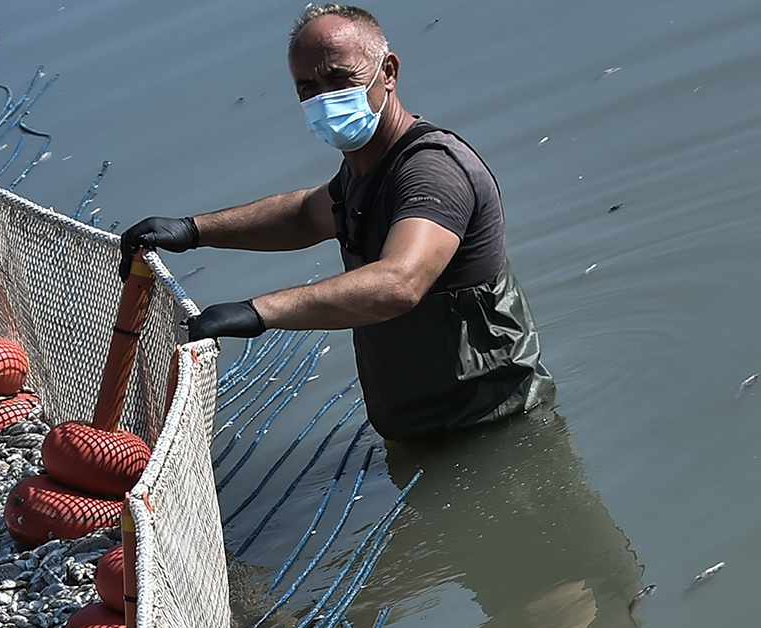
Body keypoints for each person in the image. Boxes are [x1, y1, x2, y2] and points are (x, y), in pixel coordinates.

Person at [119, 4, 553, 441]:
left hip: (500, 425)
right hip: (421, 427)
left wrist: (258, 312)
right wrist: (192, 230)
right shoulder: (362, 171)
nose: (324, 97)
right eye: (308, 86)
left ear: (389, 71)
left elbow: (398, 283)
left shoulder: (431, 171)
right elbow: (305, 216)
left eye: (341, 78)